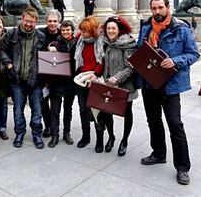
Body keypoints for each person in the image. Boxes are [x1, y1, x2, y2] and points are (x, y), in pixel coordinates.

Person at [136, 0, 199, 185]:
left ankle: (182, 167)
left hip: (170, 86)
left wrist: (175, 61)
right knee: (153, 121)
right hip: (149, 83)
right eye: (154, 8)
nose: (157, 12)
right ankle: (158, 153)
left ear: (167, 7)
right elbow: (140, 49)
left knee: (175, 125)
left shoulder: (181, 28)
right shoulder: (146, 28)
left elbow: (193, 53)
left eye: (160, 8)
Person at [0, 6, 47, 149]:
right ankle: (19, 133)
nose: (28, 24)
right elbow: (2, 49)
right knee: (18, 110)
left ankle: (37, 134)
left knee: (37, 110)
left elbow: (45, 57)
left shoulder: (41, 36)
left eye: (31, 22)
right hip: (17, 79)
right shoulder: (11, 34)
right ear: (22, 19)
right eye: (26, 21)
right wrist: (8, 64)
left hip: (35, 80)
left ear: (35, 22)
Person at [98, 16, 137, 156]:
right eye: (108, 28)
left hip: (126, 85)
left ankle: (124, 140)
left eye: (113, 28)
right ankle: (111, 136)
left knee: (127, 113)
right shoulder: (105, 42)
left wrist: (117, 78)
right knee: (107, 111)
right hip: (108, 84)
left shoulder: (128, 44)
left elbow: (131, 68)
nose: (110, 31)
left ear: (120, 29)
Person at [74, 16, 104, 151]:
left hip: (94, 79)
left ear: (92, 30)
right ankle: (85, 136)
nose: (82, 33)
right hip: (81, 79)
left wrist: (95, 75)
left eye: (85, 31)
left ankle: (99, 139)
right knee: (82, 109)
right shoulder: (80, 40)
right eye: (81, 30)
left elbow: (102, 61)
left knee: (96, 110)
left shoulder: (100, 42)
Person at [47, 20, 77, 147]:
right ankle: (55, 135)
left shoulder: (77, 44)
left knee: (68, 110)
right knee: (55, 111)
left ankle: (66, 133)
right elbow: (47, 62)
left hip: (70, 82)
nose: (65, 32)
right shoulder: (55, 43)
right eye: (63, 30)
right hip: (56, 82)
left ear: (72, 31)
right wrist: (50, 51)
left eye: (68, 30)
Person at [38, 9, 61, 138]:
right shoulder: (41, 33)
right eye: (50, 21)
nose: (52, 23)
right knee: (44, 102)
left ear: (59, 22)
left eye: (55, 21)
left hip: (57, 76)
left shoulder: (62, 34)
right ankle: (48, 126)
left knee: (56, 103)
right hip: (43, 75)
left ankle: (55, 126)